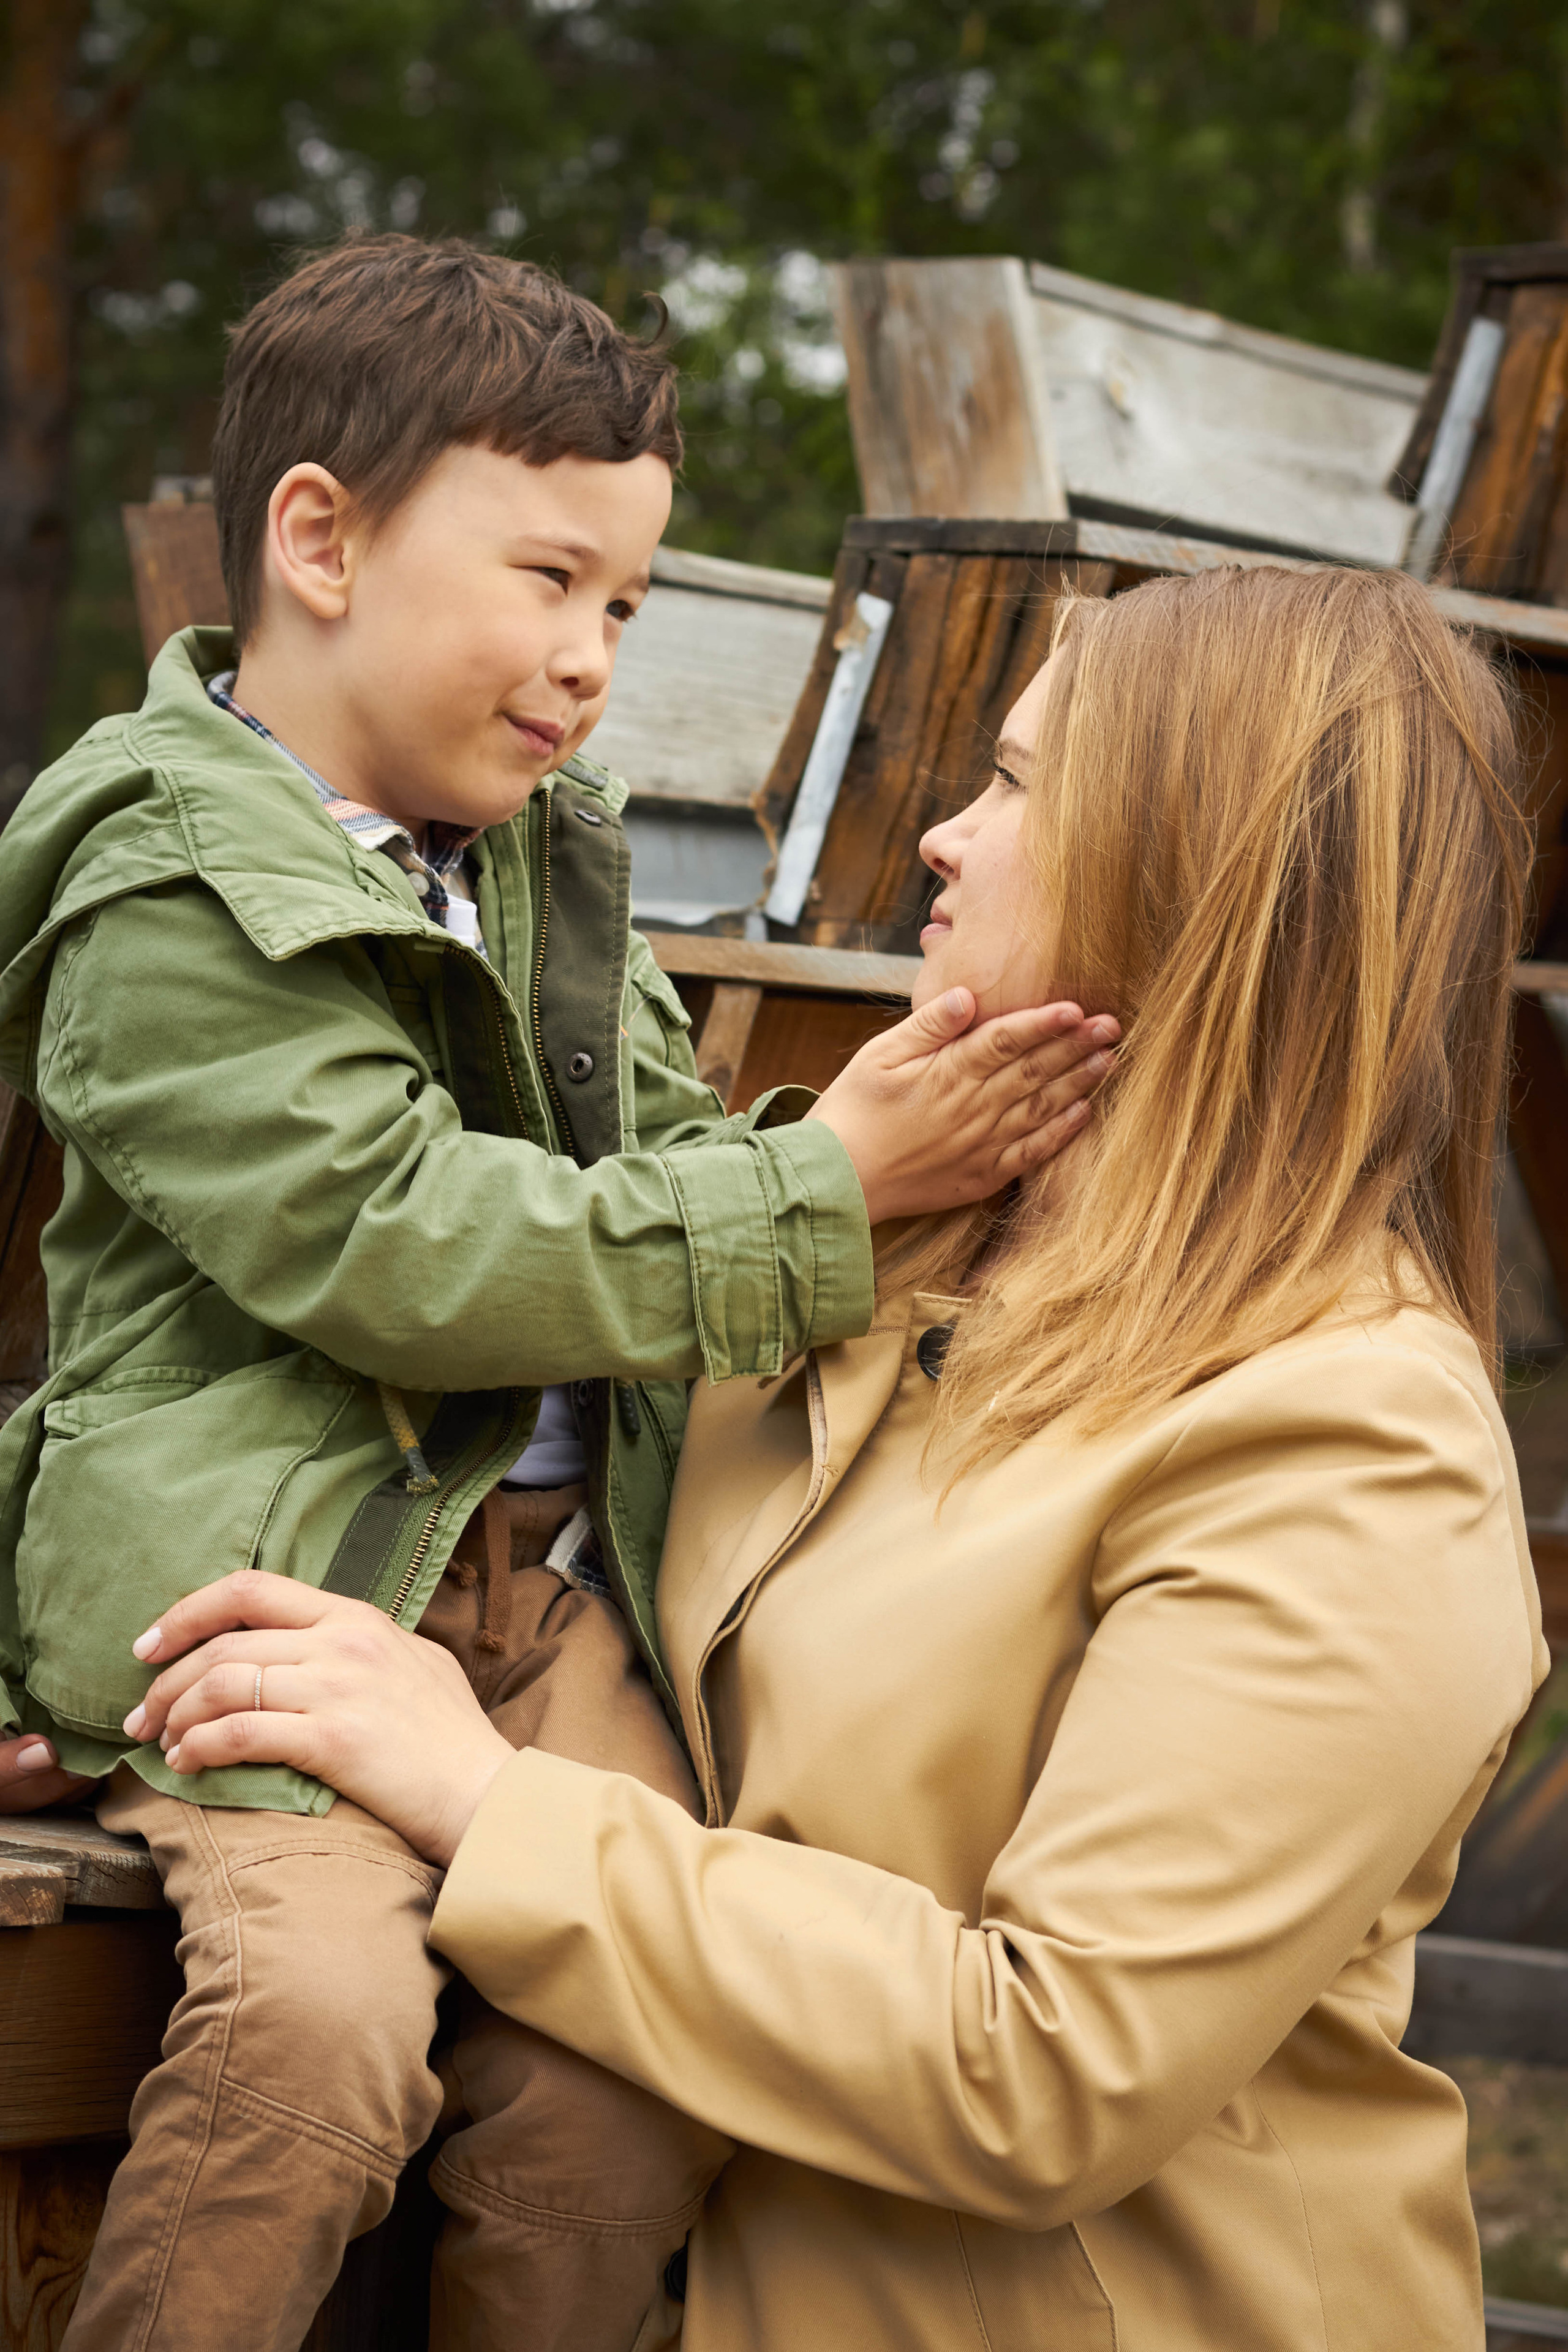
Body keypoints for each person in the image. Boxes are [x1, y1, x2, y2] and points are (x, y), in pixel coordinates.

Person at [129, 560, 1548, 2352]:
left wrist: (489, 1804)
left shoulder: (1350, 1439)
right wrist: (134, 1682)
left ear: (1199, 874)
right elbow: (455, 1435)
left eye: (1023, 785)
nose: (946, 839)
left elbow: (1049, 2068)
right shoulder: (875, 1252)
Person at [0, 233, 1110, 2352]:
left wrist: (838, 1162)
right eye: (547, 580)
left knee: (622, 2092)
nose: (592, 654)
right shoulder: (165, 888)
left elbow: (663, 1152)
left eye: (625, 602)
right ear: (318, 540)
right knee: (313, 2041)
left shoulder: (540, 856)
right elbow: (407, 1248)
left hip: (558, 1591)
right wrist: (822, 1189)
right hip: (283, 1598)